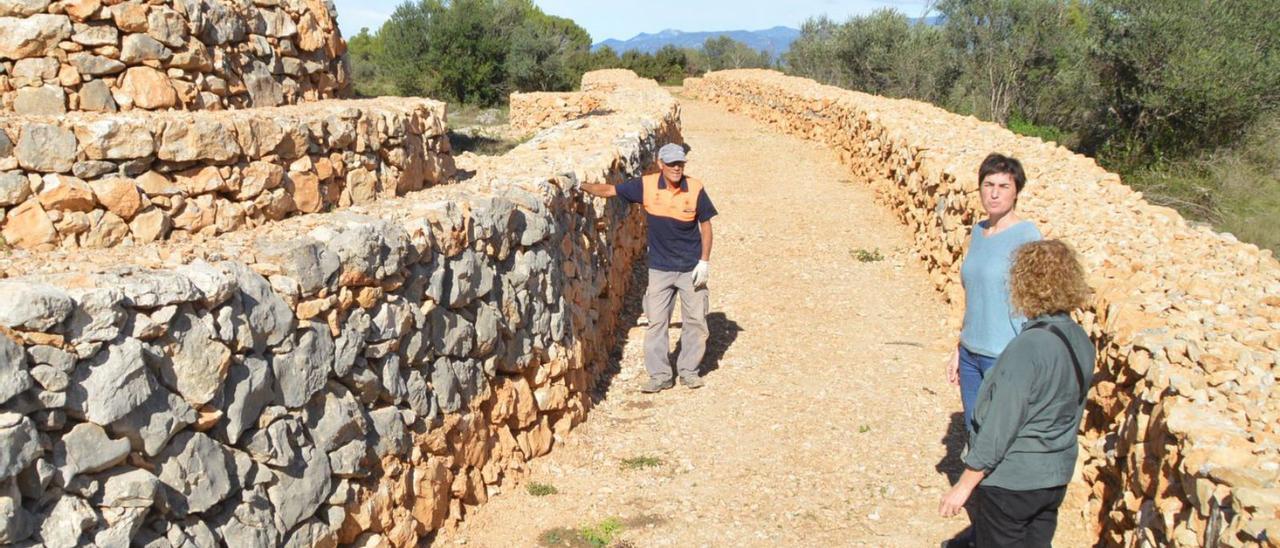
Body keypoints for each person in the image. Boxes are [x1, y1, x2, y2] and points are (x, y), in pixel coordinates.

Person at [938, 239, 1096, 547]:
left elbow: (1000, 425)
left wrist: (964, 485)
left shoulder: (1029, 347)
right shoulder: (1079, 339)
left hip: (1015, 481)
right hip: (1054, 476)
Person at [580, 143, 718, 392]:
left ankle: (689, 371)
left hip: (690, 268)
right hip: (660, 269)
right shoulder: (646, 186)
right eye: (672, 164)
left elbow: (706, 226)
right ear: (660, 164)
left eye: (681, 164)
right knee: (657, 322)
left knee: (696, 321)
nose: (677, 168)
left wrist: (704, 262)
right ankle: (660, 375)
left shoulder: (695, 188)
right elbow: (610, 190)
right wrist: (582, 186)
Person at [946, 153, 1042, 435]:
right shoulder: (978, 232)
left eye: (1004, 186)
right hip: (971, 353)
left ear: (1017, 191)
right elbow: (975, 296)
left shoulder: (1027, 236)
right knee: (975, 431)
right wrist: (959, 347)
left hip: (1005, 354)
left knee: (1001, 437)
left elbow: (1038, 298)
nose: (995, 194)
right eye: (988, 185)